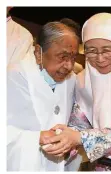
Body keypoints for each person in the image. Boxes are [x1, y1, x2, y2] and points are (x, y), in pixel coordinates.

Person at [41, 13, 111, 171]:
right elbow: (78, 125)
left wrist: (79, 138)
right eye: (91, 51)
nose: (100, 58)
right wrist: (61, 138)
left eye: (107, 50)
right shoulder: (83, 81)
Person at [7, 21, 81, 171]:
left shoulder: (71, 79)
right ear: (38, 53)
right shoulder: (12, 77)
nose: (69, 66)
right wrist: (37, 137)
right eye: (62, 57)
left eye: (73, 58)